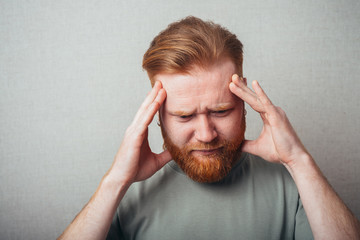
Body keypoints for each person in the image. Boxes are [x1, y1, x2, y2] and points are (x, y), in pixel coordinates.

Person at [58, 16, 360, 240]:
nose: (206, 134)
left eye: (221, 111)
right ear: (158, 116)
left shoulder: (294, 184)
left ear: (245, 104)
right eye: (184, 116)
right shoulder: (124, 193)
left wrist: (299, 161)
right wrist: (115, 182)